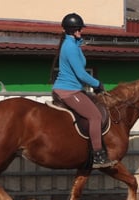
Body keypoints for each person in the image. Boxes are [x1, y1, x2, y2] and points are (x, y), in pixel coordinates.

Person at [52, 13, 116, 169]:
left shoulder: (73, 44)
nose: (81, 31)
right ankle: (98, 155)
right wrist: (97, 83)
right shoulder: (70, 47)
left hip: (75, 89)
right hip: (68, 91)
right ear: (73, 30)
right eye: (79, 29)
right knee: (95, 116)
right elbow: (81, 73)